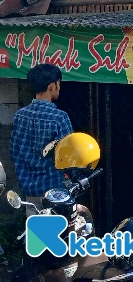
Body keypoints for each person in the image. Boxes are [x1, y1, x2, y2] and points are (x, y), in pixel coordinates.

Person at [10, 63, 73, 217]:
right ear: (52, 86)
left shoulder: (20, 115)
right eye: (59, 84)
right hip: (55, 192)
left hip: (29, 192)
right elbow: (70, 156)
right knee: (59, 234)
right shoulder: (59, 117)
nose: (59, 88)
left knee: (35, 236)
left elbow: (14, 151)